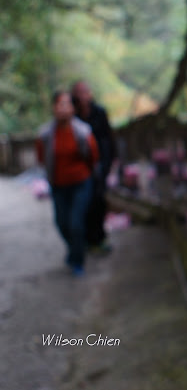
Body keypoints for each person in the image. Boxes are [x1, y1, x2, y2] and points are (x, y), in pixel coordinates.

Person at [36, 91, 99, 276]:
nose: (62, 108)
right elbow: (41, 158)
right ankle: (74, 250)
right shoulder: (45, 134)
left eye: (66, 104)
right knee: (61, 223)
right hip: (58, 185)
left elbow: (93, 157)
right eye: (59, 104)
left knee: (76, 223)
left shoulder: (83, 131)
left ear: (73, 109)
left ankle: (77, 261)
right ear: (54, 108)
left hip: (81, 183)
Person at [71, 80, 116, 254]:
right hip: (81, 167)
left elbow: (108, 138)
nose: (82, 95)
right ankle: (87, 239)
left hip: (100, 164)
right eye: (79, 92)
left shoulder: (99, 112)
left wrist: (110, 161)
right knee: (85, 204)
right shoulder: (72, 117)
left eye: (85, 91)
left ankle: (99, 238)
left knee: (99, 201)